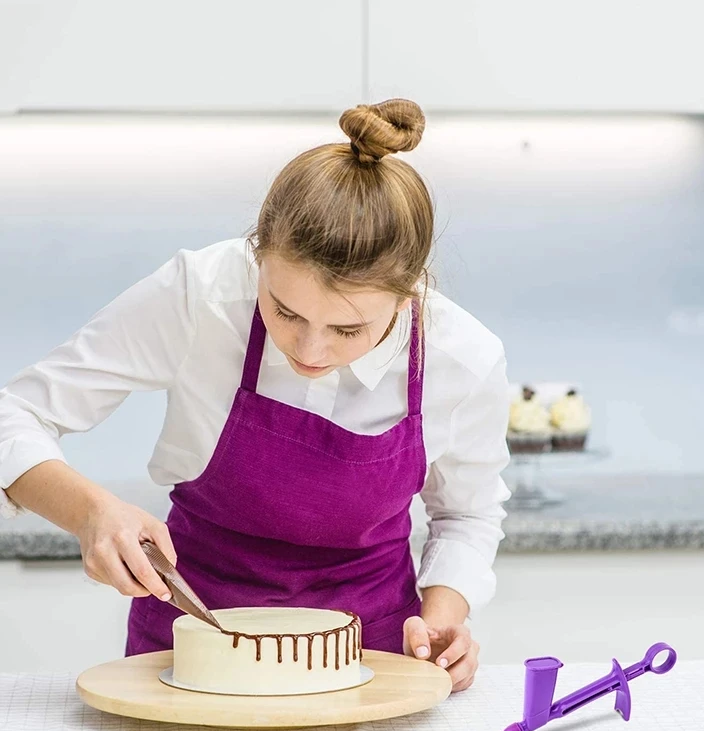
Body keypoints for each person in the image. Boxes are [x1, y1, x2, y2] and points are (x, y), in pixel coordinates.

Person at [0, 99, 510, 692]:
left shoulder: (463, 357)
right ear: (257, 256)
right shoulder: (202, 296)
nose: (311, 351)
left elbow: (468, 515)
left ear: (406, 298)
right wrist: (90, 511)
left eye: (349, 330)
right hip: (188, 654)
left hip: (372, 665)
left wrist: (442, 624)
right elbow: (15, 413)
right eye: (284, 311)